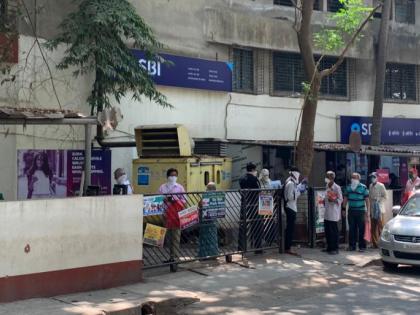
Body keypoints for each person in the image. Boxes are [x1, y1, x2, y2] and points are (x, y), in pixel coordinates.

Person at [158, 168, 186, 261]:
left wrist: (175, 200)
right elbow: (158, 200)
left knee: (176, 236)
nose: (173, 177)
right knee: (168, 237)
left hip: (176, 215)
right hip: (166, 214)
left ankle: (175, 257)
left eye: (175, 175)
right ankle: (171, 257)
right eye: (171, 175)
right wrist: (164, 200)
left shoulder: (180, 187)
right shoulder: (162, 187)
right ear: (167, 176)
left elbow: (184, 200)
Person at [238, 162, 262, 253]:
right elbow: (259, 191)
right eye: (255, 170)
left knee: (242, 225)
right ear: (253, 170)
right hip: (254, 205)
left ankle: (241, 248)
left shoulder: (241, 179)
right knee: (257, 225)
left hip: (244, 204)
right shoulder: (255, 179)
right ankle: (257, 248)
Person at [343, 173, 370, 252]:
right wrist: (343, 209)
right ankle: (352, 246)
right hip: (351, 211)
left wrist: (368, 212)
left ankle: (362, 246)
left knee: (361, 229)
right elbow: (345, 199)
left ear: (359, 179)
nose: (353, 179)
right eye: (352, 177)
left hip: (361, 211)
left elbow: (367, 201)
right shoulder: (348, 187)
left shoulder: (363, 187)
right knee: (352, 229)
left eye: (355, 178)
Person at [284, 166, 307, 255]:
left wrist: (300, 187)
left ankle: (288, 246)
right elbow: (290, 197)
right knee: (290, 228)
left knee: (290, 228)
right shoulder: (290, 183)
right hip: (290, 207)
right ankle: (287, 247)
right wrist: (299, 192)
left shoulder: (292, 182)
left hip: (291, 207)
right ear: (295, 174)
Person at [323, 171, 343, 255]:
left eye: (327, 177)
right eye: (326, 176)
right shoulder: (327, 186)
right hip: (327, 211)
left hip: (334, 212)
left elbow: (340, 199)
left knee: (333, 231)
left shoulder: (337, 187)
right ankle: (329, 247)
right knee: (327, 231)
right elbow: (325, 197)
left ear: (332, 178)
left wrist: (334, 200)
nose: (326, 178)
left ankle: (335, 248)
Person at [198, 182, 219, 258]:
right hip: (209, 219)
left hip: (207, 219)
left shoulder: (208, 196)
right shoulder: (216, 196)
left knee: (207, 237)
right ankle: (211, 254)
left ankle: (206, 254)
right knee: (210, 237)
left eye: (209, 188)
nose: (208, 189)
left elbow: (200, 204)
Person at [369, 173, 387, 248]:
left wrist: (378, 200)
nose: (372, 178)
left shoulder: (381, 185)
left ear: (377, 177)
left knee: (381, 227)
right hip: (372, 208)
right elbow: (369, 197)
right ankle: (375, 244)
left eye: (374, 177)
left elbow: (385, 196)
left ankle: (383, 243)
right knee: (373, 227)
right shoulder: (370, 185)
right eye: (371, 177)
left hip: (380, 208)